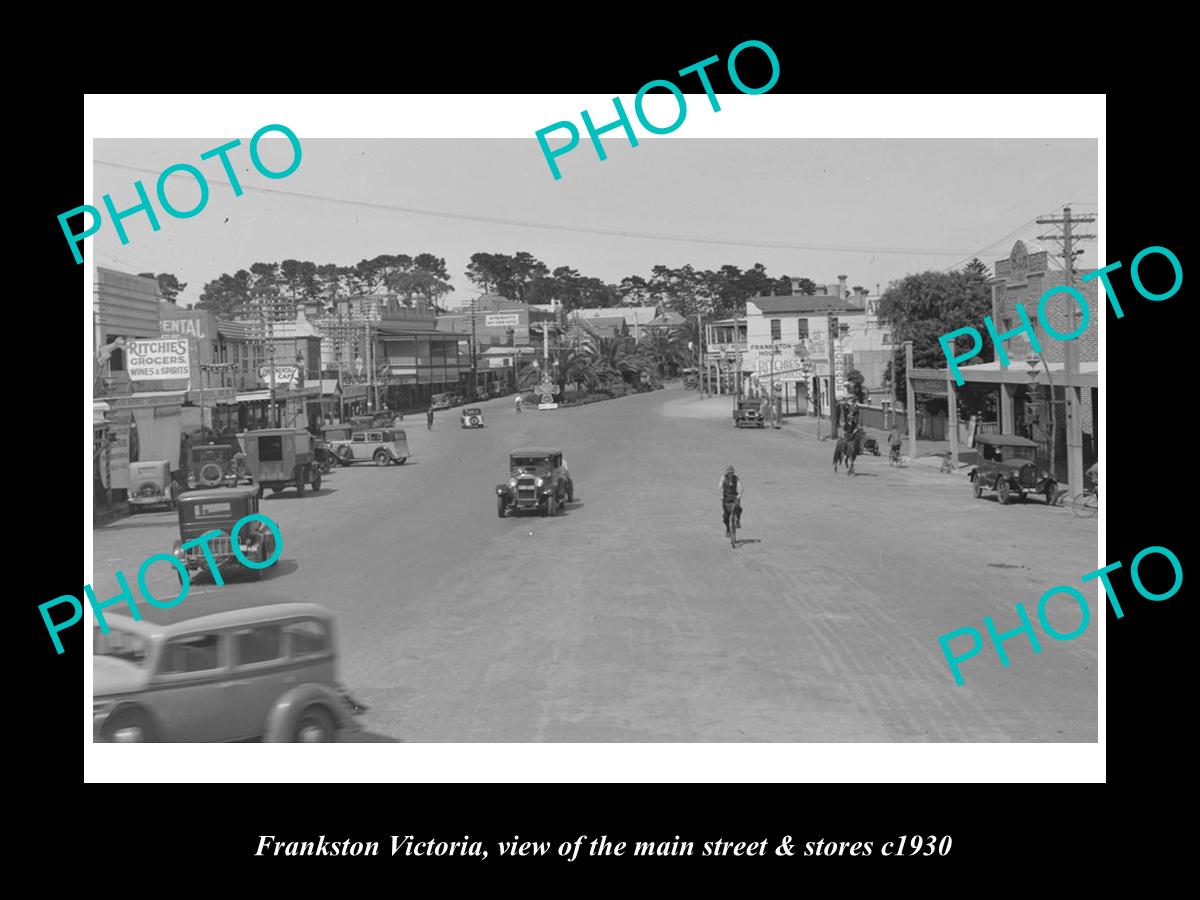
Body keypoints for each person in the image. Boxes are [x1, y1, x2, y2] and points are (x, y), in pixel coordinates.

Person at [719, 465, 743, 536]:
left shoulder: (736, 478)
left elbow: (740, 486)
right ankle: (728, 529)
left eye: (732, 472)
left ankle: (738, 520)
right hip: (726, 498)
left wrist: (740, 494)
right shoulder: (723, 478)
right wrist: (721, 495)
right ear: (727, 472)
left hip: (734, 497)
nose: (730, 474)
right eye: (729, 472)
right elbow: (720, 486)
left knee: (738, 508)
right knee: (726, 516)